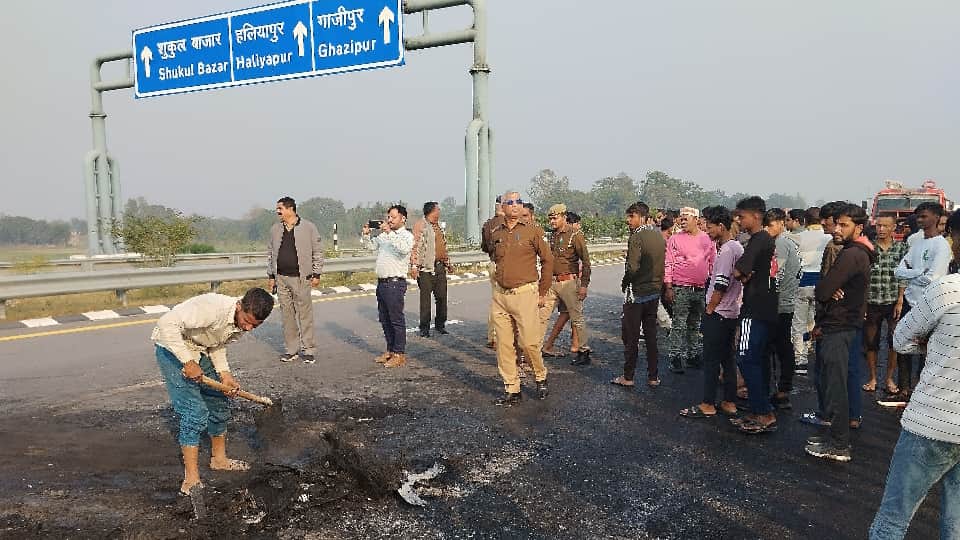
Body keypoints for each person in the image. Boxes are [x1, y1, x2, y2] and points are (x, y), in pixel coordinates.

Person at [152, 288, 274, 495]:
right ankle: (190, 480)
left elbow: (217, 344)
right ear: (239, 306)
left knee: (219, 401)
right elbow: (166, 323)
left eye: (256, 325)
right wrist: (188, 361)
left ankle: (219, 459)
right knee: (194, 412)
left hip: (200, 350)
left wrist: (224, 374)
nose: (249, 328)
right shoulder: (211, 308)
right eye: (247, 321)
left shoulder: (241, 323)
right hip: (173, 348)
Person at [868, 272, 960, 539]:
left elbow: (900, 340)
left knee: (892, 521)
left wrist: (933, 343)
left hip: (932, 421)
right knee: (956, 525)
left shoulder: (947, 288)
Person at [805, 204, 874, 462]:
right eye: (837, 224)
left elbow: (822, 291)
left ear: (859, 227)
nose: (837, 229)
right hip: (844, 325)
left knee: (836, 386)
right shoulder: (857, 252)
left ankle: (839, 445)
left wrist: (827, 289)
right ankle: (837, 439)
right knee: (837, 383)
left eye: (844, 225)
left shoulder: (852, 254)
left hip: (840, 326)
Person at [488, 191, 553, 406]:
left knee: (529, 343)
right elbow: (493, 257)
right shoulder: (496, 232)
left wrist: (542, 292)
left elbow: (547, 261)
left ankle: (540, 375)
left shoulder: (533, 231)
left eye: (518, 202)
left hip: (525, 293)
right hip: (501, 295)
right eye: (510, 202)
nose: (515, 205)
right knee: (504, 345)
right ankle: (512, 388)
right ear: (502, 207)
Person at [679, 206, 743, 418]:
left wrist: (710, 308)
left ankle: (708, 403)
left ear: (721, 226)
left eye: (710, 225)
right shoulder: (736, 247)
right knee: (728, 359)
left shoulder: (725, 251)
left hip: (719, 312)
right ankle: (729, 401)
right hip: (732, 311)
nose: (707, 229)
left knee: (711, 360)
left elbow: (721, 284)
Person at [890, 202, 951, 402]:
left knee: (927, 349)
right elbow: (898, 271)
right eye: (918, 217)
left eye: (924, 216)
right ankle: (904, 388)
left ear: (936, 217)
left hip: (930, 303)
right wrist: (918, 273)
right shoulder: (917, 243)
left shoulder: (941, 246)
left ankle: (924, 389)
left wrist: (912, 274)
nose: (919, 220)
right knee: (902, 345)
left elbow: (933, 278)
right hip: (910, 301)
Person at [731, 196, 779, 435]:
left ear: (756, 216)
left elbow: (739, 270)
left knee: (746, 358)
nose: (739, 220)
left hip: (755, 309)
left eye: (742, 216)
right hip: (767, 308)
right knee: (757, 360)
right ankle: (759, 409)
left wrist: (741, 274)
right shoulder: (765, 240)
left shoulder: (758, 240)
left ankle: (763, 411)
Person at [612, 202, 666, 389]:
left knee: (631, 336)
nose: (628, 221)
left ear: (641, 217)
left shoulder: (637, 237)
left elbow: (632, 267)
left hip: (636, 294)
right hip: (653, 292)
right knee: (651, 336)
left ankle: (628, 376)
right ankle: (653, 376)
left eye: (631, 217)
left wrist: (625, 281)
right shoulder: (658, 235)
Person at [266, 197, 324, 364]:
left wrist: (316, 273)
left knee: (305, 315)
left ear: (290, 209)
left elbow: (318, 251)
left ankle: (309, 349)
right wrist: (271, 276)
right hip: (281, 278)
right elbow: (270, 254)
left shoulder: (308, 227)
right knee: (287, 316)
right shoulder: (275, 229)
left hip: (301, 278)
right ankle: (291, 350)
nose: (278, 211)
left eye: (280, 208)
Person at [539, 204, 593, 365]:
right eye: (550, 219)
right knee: (541, 317)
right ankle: (534, 349)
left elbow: (586, 262)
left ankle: (584, 351)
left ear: (563, 217)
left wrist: (584, 285)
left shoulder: (574, 235)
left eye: (555, 218)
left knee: (577, 318)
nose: (552, 222)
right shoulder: (551, 236)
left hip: (569, 282)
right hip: (552, 282)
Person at [663, 207, 716, 373]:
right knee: (679, 323)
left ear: (696, 219)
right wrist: (669, 286)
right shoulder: (675, 239)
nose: (682, 221)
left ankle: (693, 355)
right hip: (680, 288)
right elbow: (669, 264)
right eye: (681, 218)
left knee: (695, 323)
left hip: (700, 288)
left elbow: (712, 263)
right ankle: (675, 357)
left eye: (686, 218)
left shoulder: (707, 239)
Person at [363, 205, 415, 368]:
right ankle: (390, 350)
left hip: (395, 284)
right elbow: (371, 247)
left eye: (393, 217)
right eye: (388, 217)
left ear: (402, 218)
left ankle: (399, 353)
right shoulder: (385, 236)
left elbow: (403, 250)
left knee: (396, 319)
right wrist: (366, 235)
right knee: (384, 319)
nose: (389, 220)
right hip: (382, 283)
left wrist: (389, 232)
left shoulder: (406, 236)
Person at [863, 214, 907, 396]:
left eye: (885, 226)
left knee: (893, 342)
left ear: (893, 228)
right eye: (878, 225)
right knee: (871, 343)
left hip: (892, 302)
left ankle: (889, 378)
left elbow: (904, 275)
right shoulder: (868, 247)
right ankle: (873, 378)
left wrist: (900, 299)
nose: (881, 229)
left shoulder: (901, 248)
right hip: (871, 302)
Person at [766, 209, 801, 410]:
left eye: (770, 225)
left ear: (780, 224)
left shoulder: (780, 244)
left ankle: (781, 390)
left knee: (778, 348)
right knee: (783, 347)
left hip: (778, 303)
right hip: (787, 301)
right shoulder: (790, 243)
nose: (767, 230)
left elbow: (775, 276)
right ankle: (783, 389)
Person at [788, 207, 831, 371]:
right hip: (821, 284)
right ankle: (813, 348)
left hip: (801, 283)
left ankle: (800, 359)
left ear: (805, 220)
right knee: (815, 321)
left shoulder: (797, 237)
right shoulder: (829, 238)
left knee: (799, 322)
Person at [410, 201, 452, 337]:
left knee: (441, 298)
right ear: (431, 211)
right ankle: (424, 328)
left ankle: (440, 324)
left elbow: (442, 247)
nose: (439, 212)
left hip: (439, 267)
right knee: (425, 300)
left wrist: (447, 262)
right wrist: (414, 265)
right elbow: (415, 246)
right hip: (426, 269)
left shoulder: (438, 227)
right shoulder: (420, 225)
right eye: (437, 210)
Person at [481, 196, 506, 348]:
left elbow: (484, 247)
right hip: (504, 265)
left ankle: (492, 336)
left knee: (495, 300)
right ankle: (500, 337)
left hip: (492, 263)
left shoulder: (487, 224)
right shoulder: (507, 224)